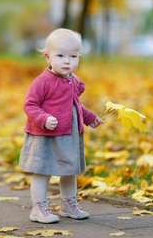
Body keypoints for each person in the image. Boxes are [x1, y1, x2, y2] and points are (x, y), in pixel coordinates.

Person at [19, 28, 104, 223]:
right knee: (43, 170)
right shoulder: (42, 82)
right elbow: (30, 104)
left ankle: (68, 203)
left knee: (69, 170)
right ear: (48, 57)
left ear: (79, 58)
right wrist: (43, 119)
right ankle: (38, 207)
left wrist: (89, 117)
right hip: (45, 135)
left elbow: (76, 105)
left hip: (68, 135)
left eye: (72, 56)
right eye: (60, 55)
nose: (67, 61)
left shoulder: (73, 80)